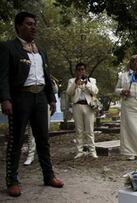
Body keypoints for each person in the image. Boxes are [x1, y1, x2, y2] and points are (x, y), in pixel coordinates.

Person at [0, 11, 64, 197]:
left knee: (43, 139)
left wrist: (51, 98)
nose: (33, 27)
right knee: (16, 141)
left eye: (34, 24)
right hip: (20, 99)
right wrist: (5, 99)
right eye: (28, 24)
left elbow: (45, 75)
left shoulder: (40, 50)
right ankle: (12, 180)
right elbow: (2, 76)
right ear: (18, 26)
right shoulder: (8, 47)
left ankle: (48, 175)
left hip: (40, 99)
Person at [66, 63, 99, 159]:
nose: (81, 71)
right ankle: (79, 151)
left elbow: (95, 91)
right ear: (76, 71)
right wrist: (76, 83)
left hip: (88, 106)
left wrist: (86, 83)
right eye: (79, 69)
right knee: (79, 130)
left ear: (85, 70)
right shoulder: (72, 81)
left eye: (83, 69)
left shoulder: (91, 80)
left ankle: (92, 151)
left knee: (90, 130)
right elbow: (69, 92)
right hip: (77, 106)